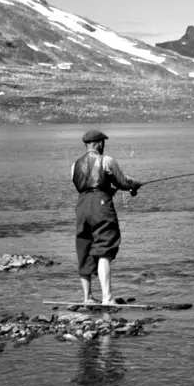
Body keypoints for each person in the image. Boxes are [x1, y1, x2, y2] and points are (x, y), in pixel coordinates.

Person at [71, 129, 141, 305]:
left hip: (81, 206)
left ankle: (87, 298)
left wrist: (109, 189)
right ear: (100, 143)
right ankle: (107, 298)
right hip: (101, 206)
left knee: (84, 248)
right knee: (105, 247)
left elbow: (85, 186)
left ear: (87, 144)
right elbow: (123, 182)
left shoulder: (74, 165)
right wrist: (135, 185)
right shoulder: (106, 160)